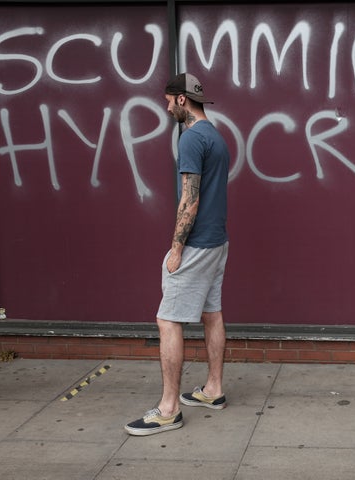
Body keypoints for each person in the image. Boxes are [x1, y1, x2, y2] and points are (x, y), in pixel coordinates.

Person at [125, 73, 231, 436]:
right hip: (218, 242)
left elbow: (190, 197)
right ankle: (213, 389)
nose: (167, 107)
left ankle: (169, 409)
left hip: (197, 244)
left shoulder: (191, 138)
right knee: (211, 314)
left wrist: (176, 248)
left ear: (181, 100)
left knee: (168, 321)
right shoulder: (216, 136)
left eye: (168, 101)